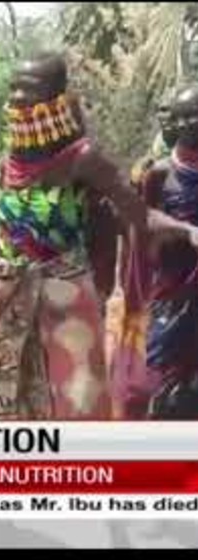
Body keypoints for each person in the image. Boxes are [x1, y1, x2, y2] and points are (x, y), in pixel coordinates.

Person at [0, 52, 147, 420]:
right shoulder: (12, 161)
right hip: (9, 298)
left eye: (26, 90)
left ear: (55, 95)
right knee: (3, 408)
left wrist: (127, 281)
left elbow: (134, 215)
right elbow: (9, 242)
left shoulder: (84, 159)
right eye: (12, 87)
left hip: (68, 303)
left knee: (77, 405)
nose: (14, 98)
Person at [121, 85, 198, 419]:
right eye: (185, 116)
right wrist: (185, 230)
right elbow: (142, 219)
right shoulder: (160, 174)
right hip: (173, 299)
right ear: (174, 125)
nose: (193, 122)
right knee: (164, 388)